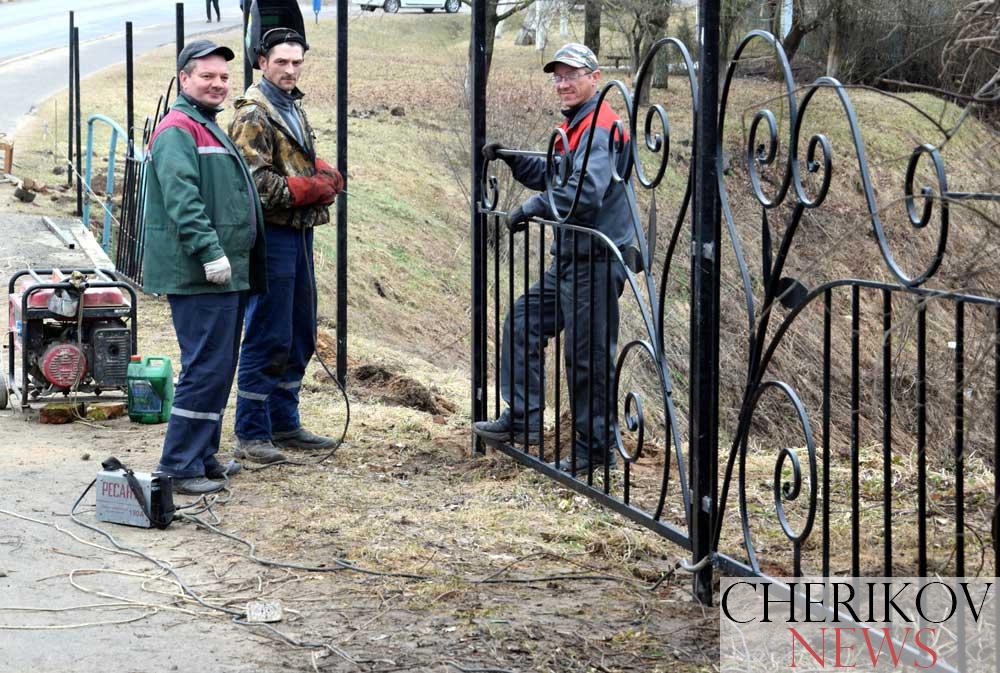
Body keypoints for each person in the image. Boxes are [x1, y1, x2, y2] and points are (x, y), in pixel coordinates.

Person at [473, 43, 634, 476]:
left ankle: (593, 449)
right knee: (524, 321)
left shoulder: (601, 125)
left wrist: (532, 207)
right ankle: (523, 420)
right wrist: (512, 160)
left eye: (571, 75)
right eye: (558, 76)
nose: (563, 83)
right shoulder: (577, 125)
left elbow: (582, 194)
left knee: (587, 356)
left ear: (594, 78)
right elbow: (557, 170)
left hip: (595, 259)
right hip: (570, 256)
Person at [143, 40, 267, 495]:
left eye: (223, 78)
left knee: (219, 367)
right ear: (184, 79)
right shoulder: (178, 130)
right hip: (201, 274)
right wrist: (211, 252)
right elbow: (183, 201)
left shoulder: (205, 125)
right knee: (204, 368)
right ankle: (178, 465)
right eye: (207, 76)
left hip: (225, 273)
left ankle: (203, 454)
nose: (217, 84)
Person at [228, 27, 344, 464]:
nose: (291, 69)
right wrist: (309, 188)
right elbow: (254, 183)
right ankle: (252, 431)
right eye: (282, 62)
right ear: (262, 62)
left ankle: (284, 422)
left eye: (297, 62)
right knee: (269, 331)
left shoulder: (289, 105)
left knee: (299, 331)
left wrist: (321, 171)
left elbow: (293, 158)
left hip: (298, 233)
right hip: (271, 235)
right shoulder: (253, 113)